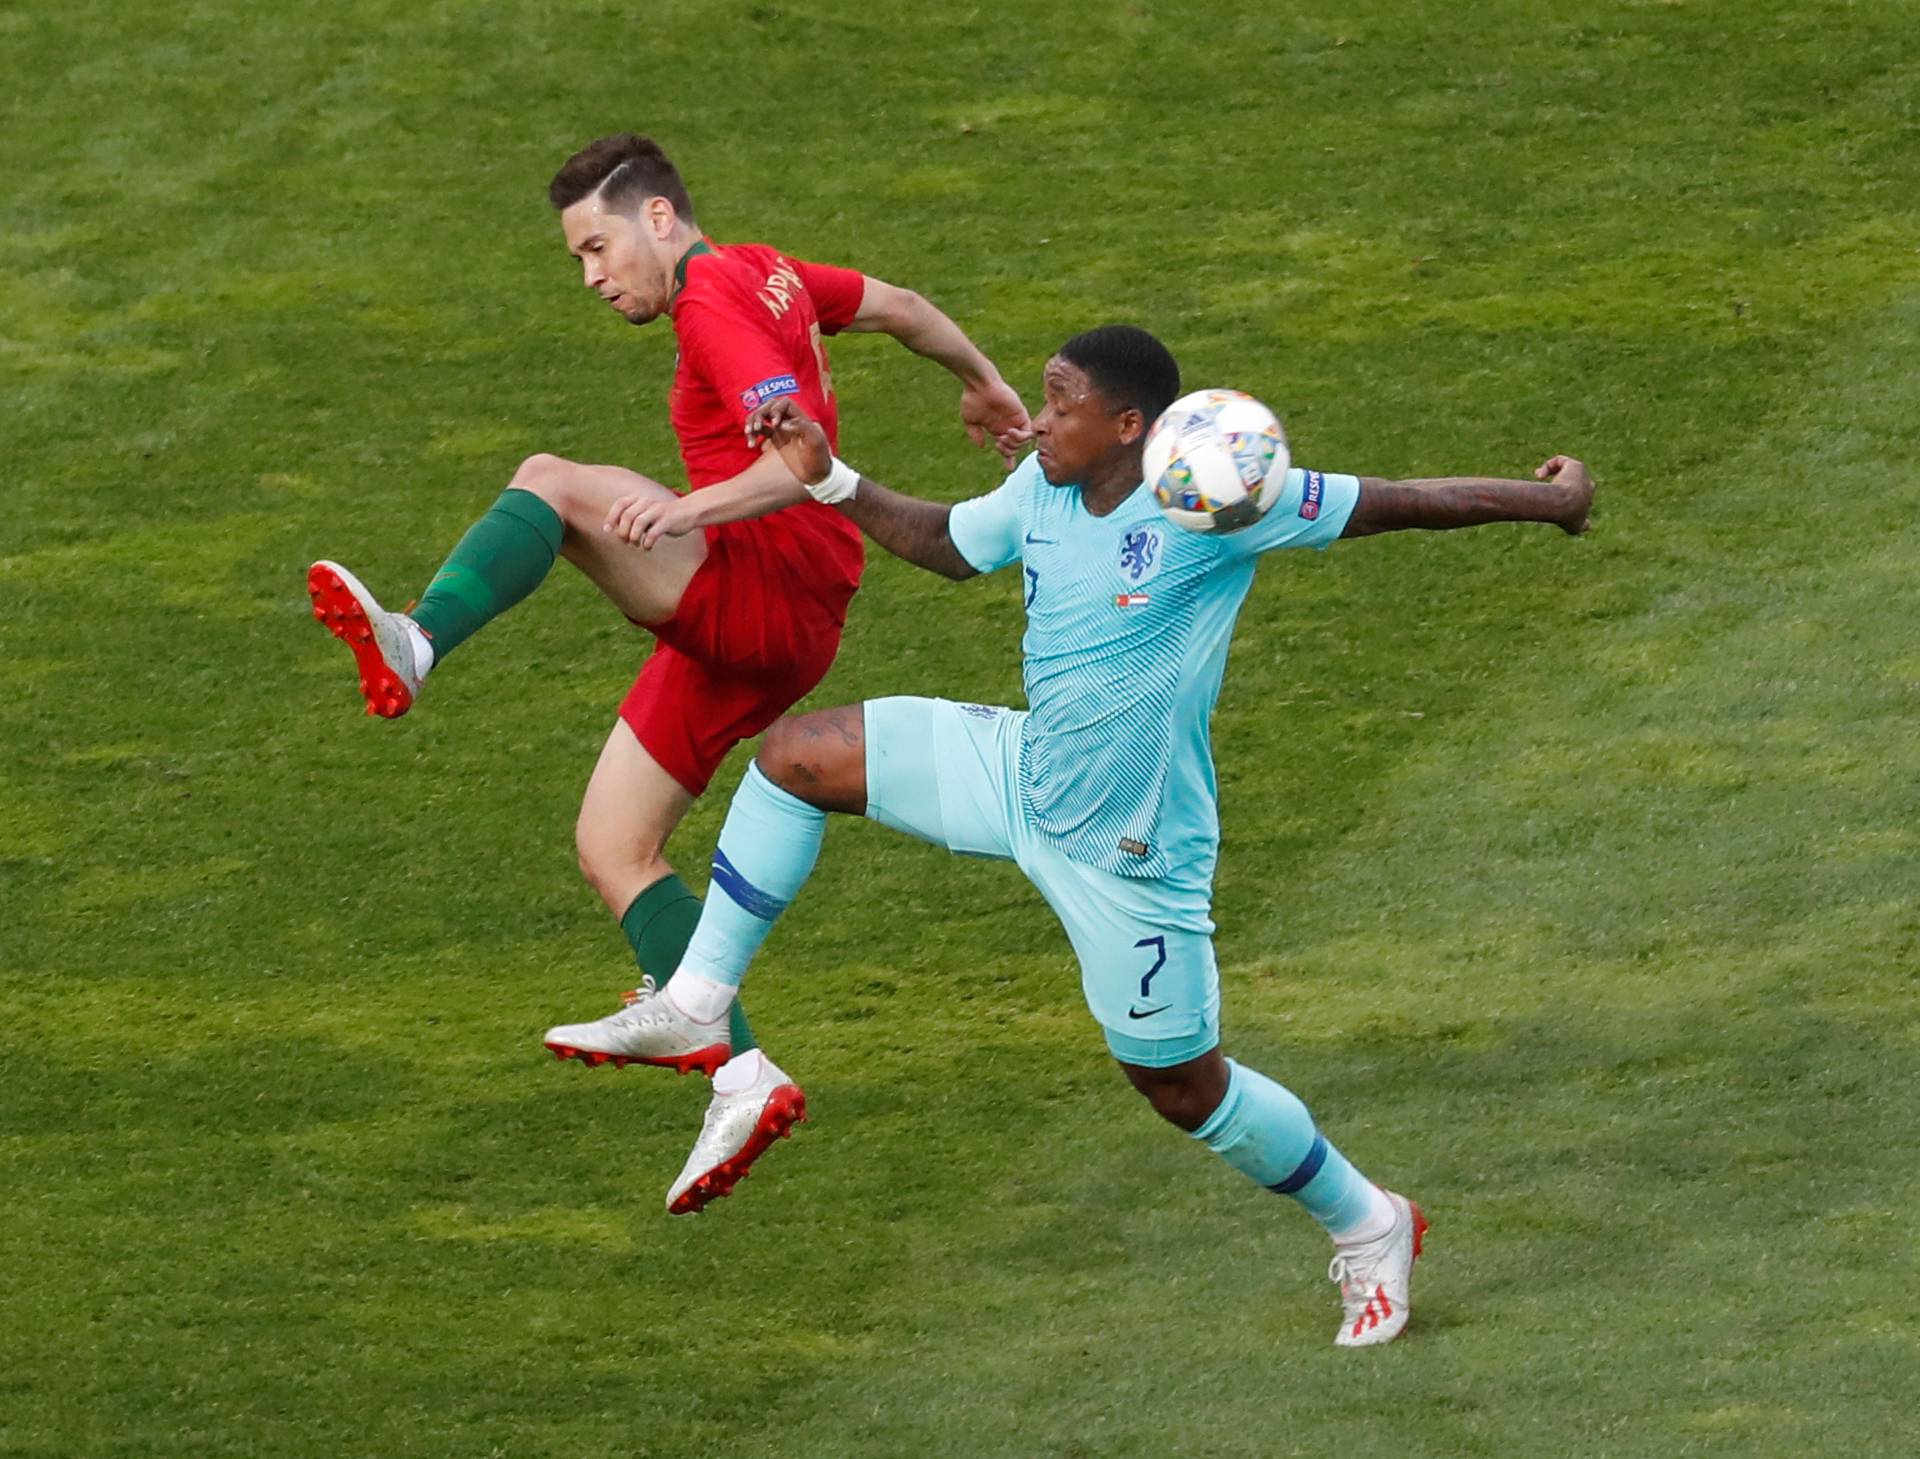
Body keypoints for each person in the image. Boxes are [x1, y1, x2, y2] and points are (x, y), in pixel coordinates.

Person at [547, 323, 1595, 1346]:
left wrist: (1554, 501)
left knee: (1182, 1086)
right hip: (1023, 771)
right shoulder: (1044, 488)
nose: (1037, 419)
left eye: (1061, 405)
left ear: (1130, 424)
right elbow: (952, 548)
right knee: (795, 758)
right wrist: (830, 478)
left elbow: (1402, 505)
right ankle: (696, 1004)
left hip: (1132, 854)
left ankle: (1370, 1221)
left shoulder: (1215, 498)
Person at [306, 134, 1031, 1198]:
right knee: (612, 844)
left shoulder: (708, 304)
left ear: (657, 218)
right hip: (778, 615)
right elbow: (906, 305)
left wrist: (686, 508)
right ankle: (740, 1076)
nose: (594, 279)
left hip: (768, 585)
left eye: (597, 249)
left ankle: (417, 644)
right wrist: (986, 383)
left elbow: (802, 463)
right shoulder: (770, 270)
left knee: (550, 483)